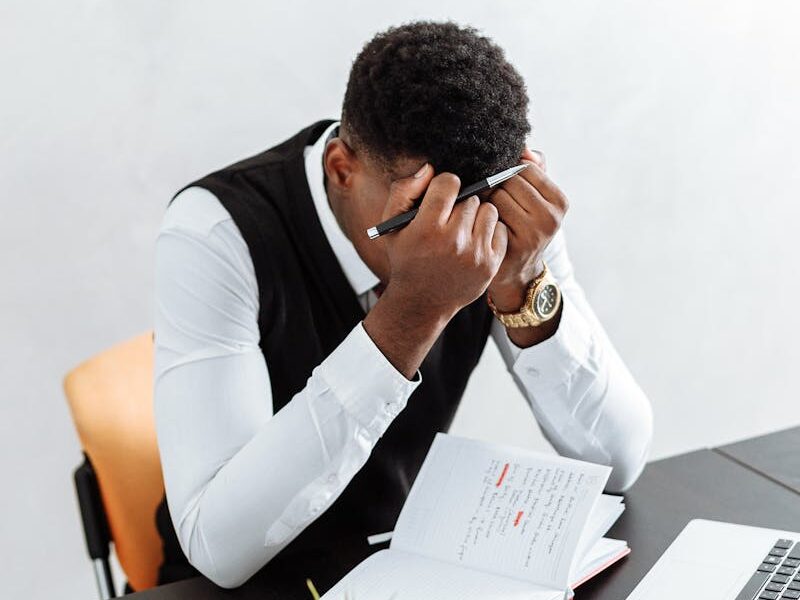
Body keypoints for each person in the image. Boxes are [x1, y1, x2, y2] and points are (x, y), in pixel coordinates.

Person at [153, 20, 653, 591]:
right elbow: (218, 546)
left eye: (475, 207)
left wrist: (523, 284)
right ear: (342, 168)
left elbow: (619, 458)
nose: (458, 240)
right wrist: (412, 311)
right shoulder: (214, 231)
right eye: (423, 212)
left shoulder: (495, 210)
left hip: (401, 560)